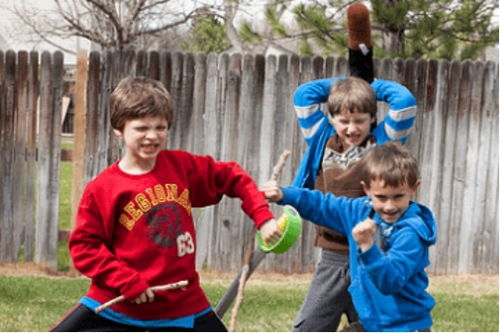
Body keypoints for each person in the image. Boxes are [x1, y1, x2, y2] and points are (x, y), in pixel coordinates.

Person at [50, 76, 282, 332]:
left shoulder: (181, 167)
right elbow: (85, 247)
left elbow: (232, 177)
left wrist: (263, 217)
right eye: (141, 128)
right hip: (117, 305)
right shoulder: (103, 188)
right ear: (119, 129)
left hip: (182, 304)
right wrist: (125, 280)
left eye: (160, 127)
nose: (152, 136)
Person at [289, 3, 418, 331]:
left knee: (376, 325)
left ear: (371, 118)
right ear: (331, 118)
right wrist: (349, 83)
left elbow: (403, 102)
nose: (351, 128)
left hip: (375, 250)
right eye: (344, 121)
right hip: (333, 253)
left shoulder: (383, 141)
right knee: (310, 326)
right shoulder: (321, 137)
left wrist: (367, 86)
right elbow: (304, 94)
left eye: (359, 120)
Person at [262, 142, 437, 332]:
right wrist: (284, 194)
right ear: (367, 189)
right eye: (381, 197)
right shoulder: (359, 211)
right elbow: (322, 205)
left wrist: (368, 247)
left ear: (414, 188)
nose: (389, 206)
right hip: (373, 323)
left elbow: (390, 280)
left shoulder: (411, 232)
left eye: (398, 197)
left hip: (405, 326)